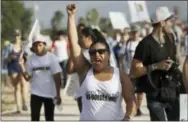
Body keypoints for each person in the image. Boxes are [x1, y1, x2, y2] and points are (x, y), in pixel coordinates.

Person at [67, 4, 134, 121]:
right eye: (93, 52)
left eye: (101, 52)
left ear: (108, 55)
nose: (97, 55)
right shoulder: (85, 71)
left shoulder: (120, 76)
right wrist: (71, 17)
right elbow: (73, 44)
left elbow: (130, 101)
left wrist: (127, 117)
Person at [130, 7, 186, 121]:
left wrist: (175, 63)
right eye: (170, 21)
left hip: (172, 91)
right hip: (154, 95)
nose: (172, 24)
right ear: (162, 23)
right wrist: (156, 66)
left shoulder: (170, 38)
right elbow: (134, 72)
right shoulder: (145, 44)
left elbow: (174, 60)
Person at [19, 34, 62, 121]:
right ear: (33, 47)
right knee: (34, 118)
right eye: (35, 45)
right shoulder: (31, 59)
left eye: (40, 45)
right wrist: (21, 66)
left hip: (50, 94)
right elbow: (27, 78)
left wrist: (58, 94)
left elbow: (57, 77)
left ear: (44, 45)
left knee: (49, 118)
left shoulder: (52, 58)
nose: (38, 47)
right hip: (35, 94)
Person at [7, 29, 28, 113]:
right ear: (13, 36)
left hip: (23, 67)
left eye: (18, 35)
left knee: (24, 84)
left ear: (20, 36)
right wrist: (11, 57)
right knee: (17, 87)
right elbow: (5, 58)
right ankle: (18, 107)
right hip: (13, 67)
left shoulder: (24, 46)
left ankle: (24, 102)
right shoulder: (9, 46)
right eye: (15, 35)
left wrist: (25, 56)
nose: (16, 37)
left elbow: (29, 57)